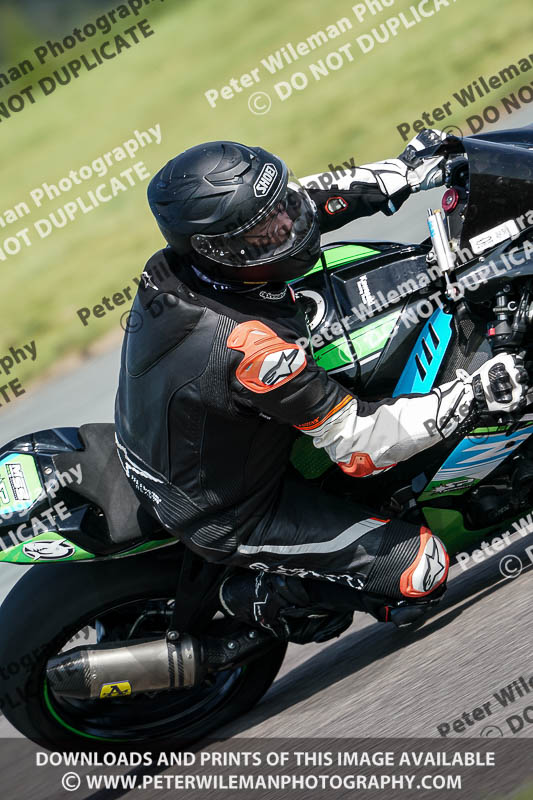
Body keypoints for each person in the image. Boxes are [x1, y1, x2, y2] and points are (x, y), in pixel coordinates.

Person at [114, 132, 527, 642]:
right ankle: (257, 595)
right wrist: (474, 394)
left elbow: (310, 197)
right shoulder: (250, 348)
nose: (286, 223)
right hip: (226, 511)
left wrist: (411, 171)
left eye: (278, 203)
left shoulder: (182, 263)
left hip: (186, 438)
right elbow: (361, 445)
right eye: (265, 230)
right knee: (421, 567)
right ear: (217, 249)